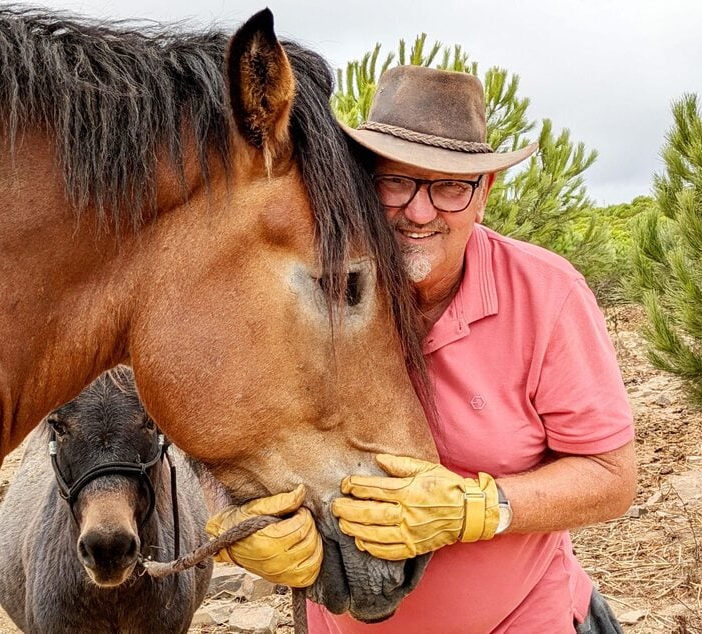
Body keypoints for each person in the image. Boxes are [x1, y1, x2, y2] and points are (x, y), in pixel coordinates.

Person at [206, 65, 636, 633]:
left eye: (450, 186)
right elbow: (226, 444)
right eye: (397, 181)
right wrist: (230, 528)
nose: (419, 211)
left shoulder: (546, 295)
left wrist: (476, 508)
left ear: (483, 194)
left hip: (524, 619)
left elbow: (611, 475)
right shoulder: (305, 294)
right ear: (364, 180)